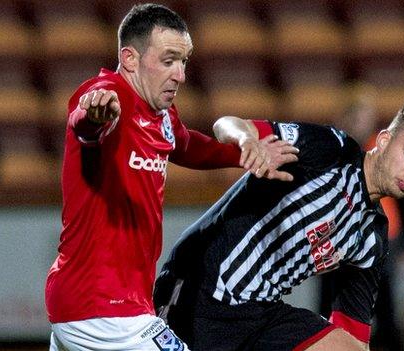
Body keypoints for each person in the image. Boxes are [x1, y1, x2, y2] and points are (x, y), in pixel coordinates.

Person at [44, 3, 299, 351]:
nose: (180, 74)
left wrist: (244, 153)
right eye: (168, 61)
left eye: (184, 61)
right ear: (130, 59)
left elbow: (186, 144)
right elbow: (84, 123)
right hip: (103, 310)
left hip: (99, 305)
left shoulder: (160, 115)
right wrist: (94, 116)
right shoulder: (109, 94)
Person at [154, 94, 404, 350]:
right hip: (201, 290)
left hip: (262, 315)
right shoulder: (330, 149)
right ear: (385, 140)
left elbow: (353, 336)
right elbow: (226, 125)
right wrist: (247, 140)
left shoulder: (371, 237)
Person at [318, 85, 404, 351]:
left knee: (384, 315)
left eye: (365, 116)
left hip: (381, 243)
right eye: (356, 116)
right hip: (334, 246)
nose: (361, 122)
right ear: (344, 117)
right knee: (328, 314)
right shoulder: (331, 150)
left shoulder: (384, 151)